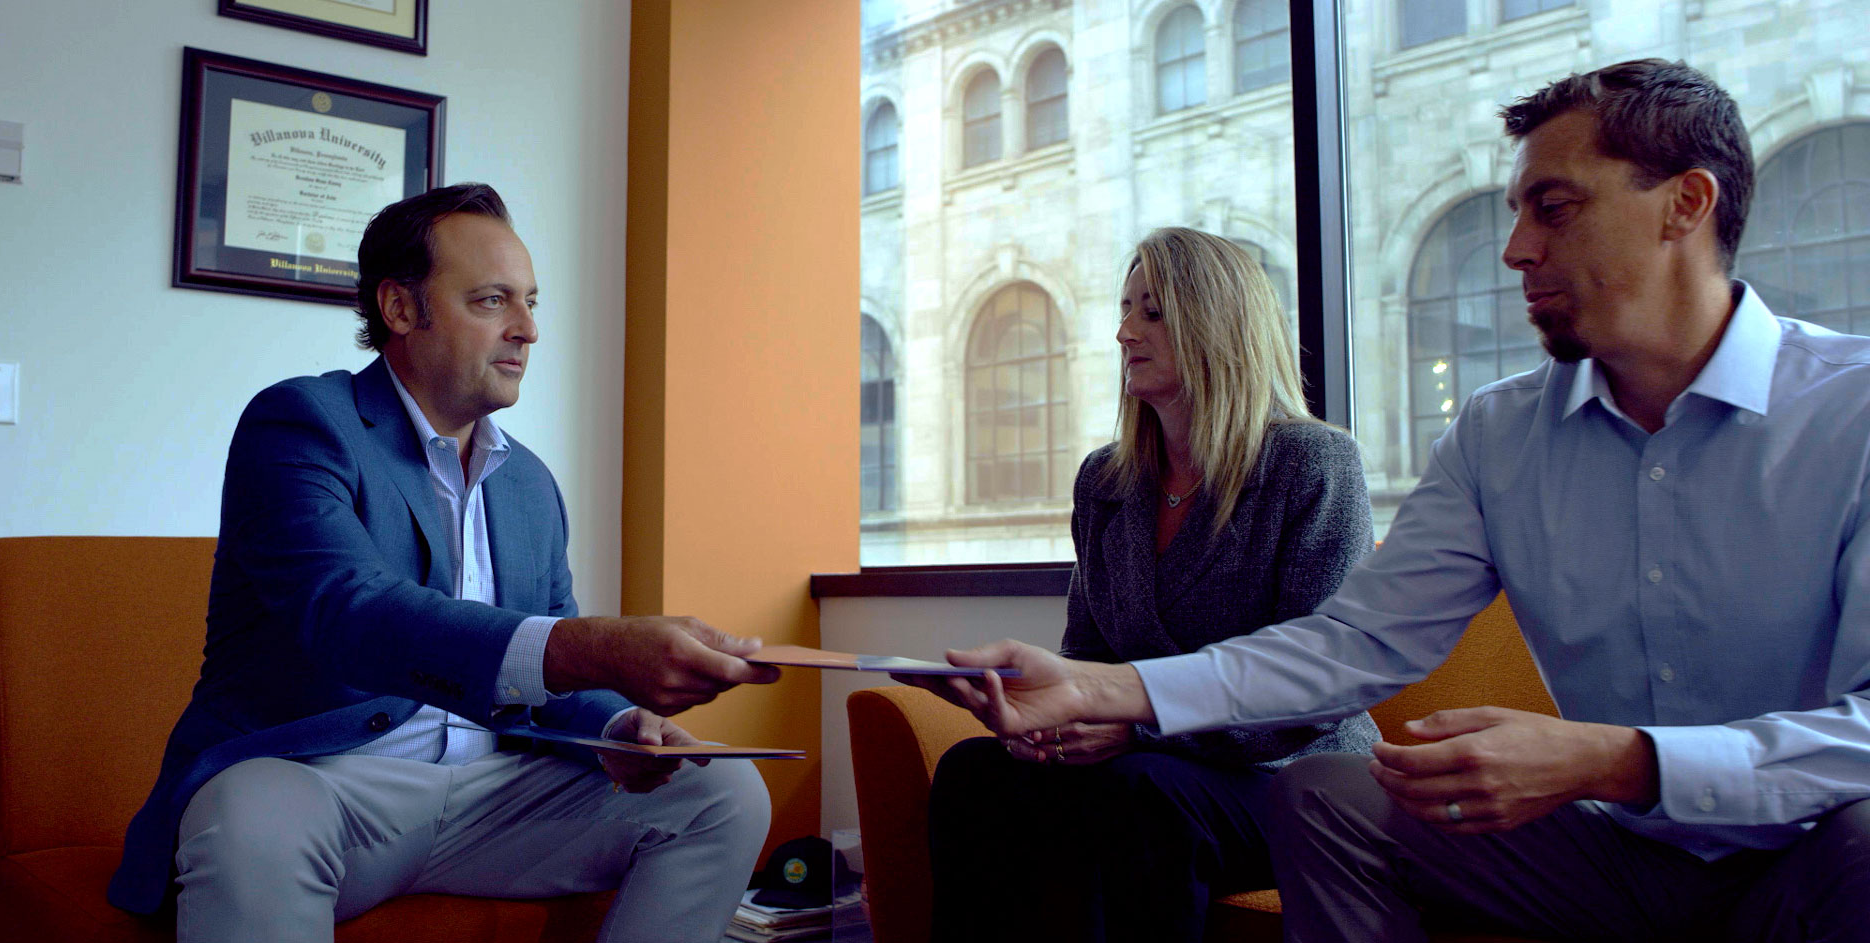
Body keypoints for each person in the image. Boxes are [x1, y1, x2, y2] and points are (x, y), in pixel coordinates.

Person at [908, 60, 1870, 942]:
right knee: (1325, 796)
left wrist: (1618, 761)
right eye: (1515, 211)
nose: (1514, 249)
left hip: (1811, 844)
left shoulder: (1852, 412)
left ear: (1686, 206)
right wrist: (1101, 688)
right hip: (1609, 852)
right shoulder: (1499, 435)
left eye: (1555, 208)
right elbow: (1354, 642)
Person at [108, 183, 780, 943]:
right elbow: (348, 610)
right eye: (493, 301)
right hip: (329, 784)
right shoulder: (300, 425)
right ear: (399, 309)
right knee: (250, 817)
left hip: (495, 799)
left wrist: (622, 723)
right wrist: (590, 646)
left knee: (724, 790)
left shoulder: (528, 483)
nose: (527, 329)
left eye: (531, 302)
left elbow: (544, 682)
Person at [927, 228, 1379, 942]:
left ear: (1217, 322)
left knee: (1137, 794)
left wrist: (1135, 723)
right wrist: (1050, 723)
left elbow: (1315, 691)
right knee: (974, 772)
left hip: (1288, 772)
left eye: (1151, 312)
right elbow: (1088, 654)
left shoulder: (1315, 465)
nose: (1122, 331)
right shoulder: (1106, 482)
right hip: (1144, 765)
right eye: (1125, 308)